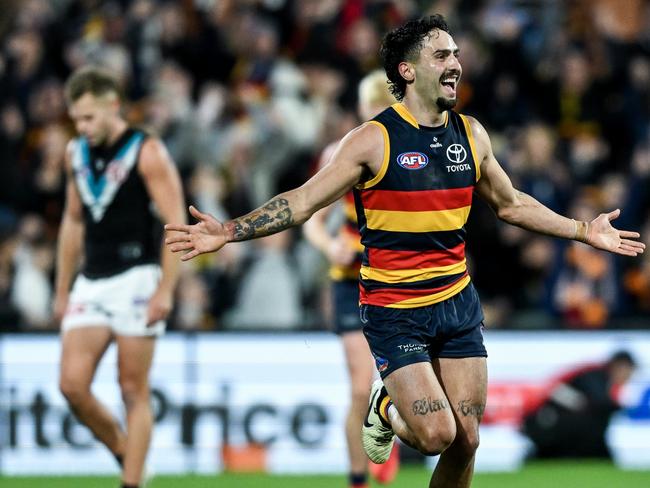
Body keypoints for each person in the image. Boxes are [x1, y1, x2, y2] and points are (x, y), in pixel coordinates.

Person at [164, 15, 645, 488]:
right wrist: (229, 229)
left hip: (456, 301)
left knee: (468, 439)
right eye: (442, 55)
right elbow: (303, 201)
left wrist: (584, 230)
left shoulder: (472, 134)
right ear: (408, 70)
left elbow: (512, 204)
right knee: (436, 435)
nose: (456, 62)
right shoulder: (373, 139)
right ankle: (387, 406)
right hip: (395, 308)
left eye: (456, 53)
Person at [54, 66, 186, 488]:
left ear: (113, 105)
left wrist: (166, 289)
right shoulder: (75, 153)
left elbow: (175, 223)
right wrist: (62, 288)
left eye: (89, 117)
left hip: (137, 277)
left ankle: (131, 482)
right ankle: (126, 453)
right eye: (77, 118)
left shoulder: (146, 151)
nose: (82, 127)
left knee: (132, 389)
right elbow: (72, 222)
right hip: (92, 279)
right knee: (72, 385)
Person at [303, 70, 399, 488]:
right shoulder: (340, 153)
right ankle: (358, 478)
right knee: (361, 386)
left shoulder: (410, 151)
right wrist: (329, 247)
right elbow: (311, 218)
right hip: (350, 280)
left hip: (397, 279)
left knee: (397, 383)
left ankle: (388, 427)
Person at [522, 350, 637, 459]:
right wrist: (625, 409)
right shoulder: (594, 375)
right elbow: (598, 403)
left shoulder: (603, 379)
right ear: (619, 366)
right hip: (544, 423)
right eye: (629, 371)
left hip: (559, 425)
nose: (629, 377)